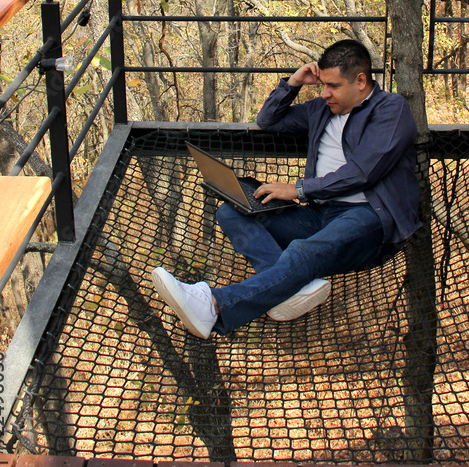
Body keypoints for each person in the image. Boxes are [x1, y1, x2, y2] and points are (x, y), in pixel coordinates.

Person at [151, 39, 421, 339]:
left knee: (305, 251)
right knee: (232, 212)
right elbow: (267, 120)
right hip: (322, 214)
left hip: (370, 218)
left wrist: (299, 190)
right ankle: (293, 288)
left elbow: (363, 172)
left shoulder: (390, 109)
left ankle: (215, 305)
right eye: (323, 84)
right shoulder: (321, 109)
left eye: (332, 85)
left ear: (360, 81)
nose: (324, 92)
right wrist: (292, 83)